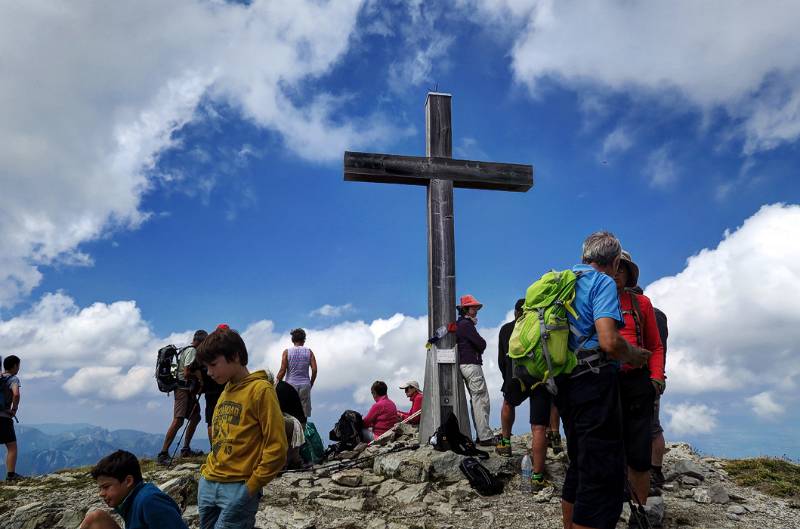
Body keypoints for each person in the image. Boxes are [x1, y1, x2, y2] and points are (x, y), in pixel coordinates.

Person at [553, 231, 651, 529]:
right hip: (593, 382)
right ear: (616, 260)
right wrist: (633, 354)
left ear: (585, 256)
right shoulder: (602, 282)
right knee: (600, 477)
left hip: (563, 383)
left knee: (580, 464)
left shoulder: (561, 281)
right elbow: (608, 341)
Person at [195, 325, 287, 529]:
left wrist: (252, 485)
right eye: (206, 367)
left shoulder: (260, 390)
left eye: (213, 364)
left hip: (238, 487)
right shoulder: (226, 390)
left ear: (235, 356)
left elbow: (277, 447)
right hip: (209, 482)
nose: (209, 373)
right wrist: (204, 475)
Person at [614, 251, 665, 517]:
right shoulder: (589, 301)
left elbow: (655, 345)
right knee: (610, 448)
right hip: (604, 382)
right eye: (612, 266)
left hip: (637, 383)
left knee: (638, 454)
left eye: (621, 267)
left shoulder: (641, 303)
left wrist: (656, 378)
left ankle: (640, 512)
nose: (616, 272)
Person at [495, 300, 561, 490]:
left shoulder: (507, 329)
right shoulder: (541, 326)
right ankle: (537, 477)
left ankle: (505, 442)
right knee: (539, 428)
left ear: (516, 312)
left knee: (508, 404)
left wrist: (506, 377)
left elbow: (501, 359)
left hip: (515, 376)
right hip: (539, 379)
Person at [80, 449, 188, 529]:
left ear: (128, 481)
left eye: (106, 487)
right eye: (100, 488)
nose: (101, 494)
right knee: (96, 518)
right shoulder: (130, 500)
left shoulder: (150, 500)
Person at [157, 330, 205, 465]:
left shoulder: (185, 350)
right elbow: (187, 372)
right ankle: (163, 454)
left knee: (195, 417)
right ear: (201, 342)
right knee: (178, 420)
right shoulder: (192, 351)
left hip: (185, 390)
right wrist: (200, 380)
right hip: (182, 390)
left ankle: (185, 449)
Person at [456, 294, 494, 446]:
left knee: (477, 399)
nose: (476, 310)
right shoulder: (466, 325)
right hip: (471, 365)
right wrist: (481, 343)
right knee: (481, 400)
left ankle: (481, 435)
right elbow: (481, 343)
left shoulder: (461, 324)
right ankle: (484, 437)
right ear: (466, 309)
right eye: (473, 307)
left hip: (465, 364)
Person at [276, 328, 317, 419]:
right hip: (305, 385)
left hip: (290, 386)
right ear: (304, 340)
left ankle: (291, 431)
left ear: (292, 339)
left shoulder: (287, 352)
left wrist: (276, 383)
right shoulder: (309, 352)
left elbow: (283, 370)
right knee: (303, 413)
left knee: (289, 412)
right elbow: (314, 370)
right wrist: (311, 383)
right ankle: (301, 431)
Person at [1, 355, 22, 481]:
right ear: (14, 366)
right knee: (12, 447)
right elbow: (16, 394)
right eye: (18, 365)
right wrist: (14, 409)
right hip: (3, 418)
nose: (19, 368)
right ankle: (11, 475)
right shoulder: (13, 379)